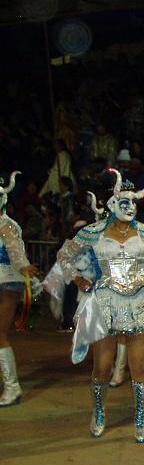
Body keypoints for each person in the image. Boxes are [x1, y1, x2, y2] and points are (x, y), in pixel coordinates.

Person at [56, 170, 144, 441]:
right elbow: (64, 255)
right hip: (105, 301)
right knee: (103, 367)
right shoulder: (93, 232)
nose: (130, 207)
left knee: (139, 366)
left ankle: (140, 418)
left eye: (134, 202)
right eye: (124, 202)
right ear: (112, 204)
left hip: (140, 301)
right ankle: (98, 412)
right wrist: (77, 280)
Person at [0, 172, 41, 407]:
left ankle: (12, 387)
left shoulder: (6, 226)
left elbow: (16, 251)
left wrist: (25, 267)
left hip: (7, 281)